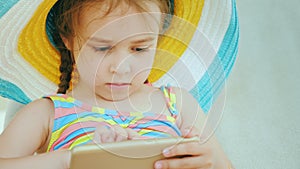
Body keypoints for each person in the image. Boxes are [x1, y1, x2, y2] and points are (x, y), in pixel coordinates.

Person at [0, 0, 233, 168]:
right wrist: (70, 160)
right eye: (102, 48)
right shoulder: (47, 113)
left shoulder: (178, 103)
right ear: (68, 39)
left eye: (139, 48)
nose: (121, 67)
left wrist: (207, 162)